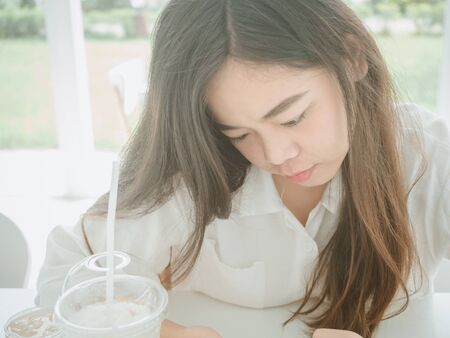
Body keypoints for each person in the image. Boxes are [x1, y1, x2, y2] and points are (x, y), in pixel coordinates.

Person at [36, 0, 450, 337]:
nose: (275, 154)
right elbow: (66, 272)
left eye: (292, 118)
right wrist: (162, 332)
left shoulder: (428, 155)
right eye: (239, 133)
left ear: (352, 57)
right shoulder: (195, 176)